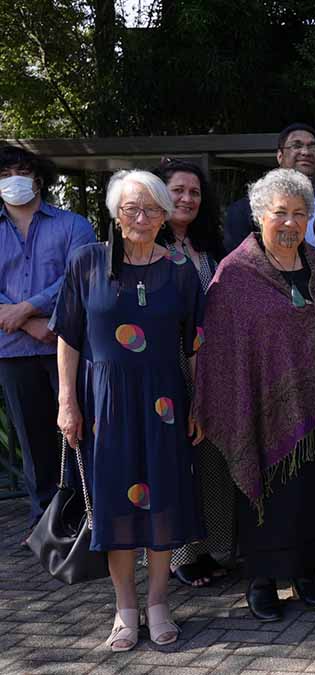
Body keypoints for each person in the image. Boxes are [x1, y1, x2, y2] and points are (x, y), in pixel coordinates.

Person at [195, 168, 315, 623]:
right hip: (262, 409)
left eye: (299, 214)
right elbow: (222, 351)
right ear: (260, 216)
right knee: (270, 494)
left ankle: (307, 574)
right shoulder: (236, 273)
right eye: (280, 213)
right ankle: (263, 579)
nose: (290, 223)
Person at [51, 170, 205, 650]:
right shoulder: (87, 262)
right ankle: (125, 609)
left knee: (160, 503)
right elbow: (68, 336)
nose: (142, 218)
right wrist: (67, 401)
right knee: (115, 507)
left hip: (163, 405)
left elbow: (196, 345)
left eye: (153, 209)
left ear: (164, 216)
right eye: (132, 209)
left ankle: (158, 602)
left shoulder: (179, 269)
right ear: (116, 214)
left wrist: (199, 402)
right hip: (105, 407)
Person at [0, 146, 95, 529]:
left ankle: (85, 516)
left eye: (21, 171)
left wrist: (26, 309)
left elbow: (80, 276)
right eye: (5, 174)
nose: (14, 181)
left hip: (66, 345)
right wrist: (26, 321)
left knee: (75, 431)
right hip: (11, 350)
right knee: (32, 439)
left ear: (38, 177)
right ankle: (45, 523)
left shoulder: (72, 225)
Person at [151, 159, 234, 588]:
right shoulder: (146, 245)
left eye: (194, 192)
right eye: (177, 190)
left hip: (210, 367)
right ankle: (181, 554)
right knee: (172, 462)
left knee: (212, 460)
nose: (186, 198)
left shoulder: (210, 249)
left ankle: (215, 547)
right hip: (164, 368)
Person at [224, 123, 315, 251]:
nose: (305, 152)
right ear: (280, 156)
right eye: (296, 146)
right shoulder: (244, 211)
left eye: (312, 147)